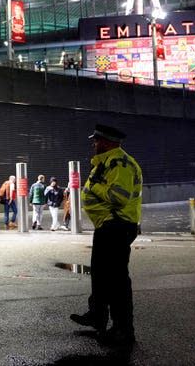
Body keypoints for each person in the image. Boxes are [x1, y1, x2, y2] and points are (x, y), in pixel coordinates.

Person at [70, 124, 143, 346]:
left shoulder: (119, 163)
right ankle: (97, 316)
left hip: (117, 226)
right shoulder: (105, 163)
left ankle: (123, 329)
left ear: (107, 142)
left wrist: (92, 190)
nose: (94, 144)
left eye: (97, 141)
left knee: (117, 281)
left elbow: (118, 196)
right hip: (106, 226)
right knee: (101, 276)